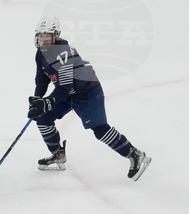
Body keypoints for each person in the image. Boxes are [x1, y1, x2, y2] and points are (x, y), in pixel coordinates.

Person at [28, 17, 151, 181]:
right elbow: (42, 79)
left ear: (56, 35)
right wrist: (37, 100)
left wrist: (47, 102)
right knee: (43, 119)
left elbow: (64, 87)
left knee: (100, 130)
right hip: (66, 93)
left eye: (47, 36)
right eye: (40, 35)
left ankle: (135, 154)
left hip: (87, 92)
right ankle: (58, 154)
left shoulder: (62, 52)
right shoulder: (40, 54)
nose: (43, 39)